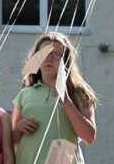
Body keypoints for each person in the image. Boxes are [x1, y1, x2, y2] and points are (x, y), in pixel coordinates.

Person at [12, 33, 97, 164]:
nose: (49, 59)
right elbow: (12, 139)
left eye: (56, 54)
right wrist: (18, 127)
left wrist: (66, 100)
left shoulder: (80, 93)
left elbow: (89, 137)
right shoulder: (24, 94)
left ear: (66, 60)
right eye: (44, 53)